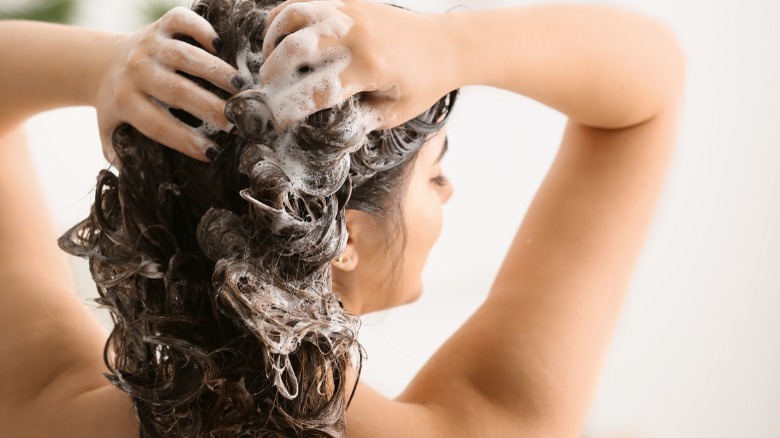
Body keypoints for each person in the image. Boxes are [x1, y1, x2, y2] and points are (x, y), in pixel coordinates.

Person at [0, 0, 686, 436]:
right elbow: (651, 87)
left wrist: (102, 66)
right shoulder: (486, 423)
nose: (447, 193)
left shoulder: (50, 412)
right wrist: (450, 45)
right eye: (437, 173)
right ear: (343, 239)